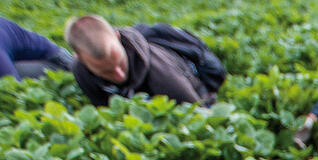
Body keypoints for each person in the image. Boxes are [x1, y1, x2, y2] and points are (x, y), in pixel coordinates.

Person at [64, 15, 226, 107]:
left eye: (120, 63)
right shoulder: (80, 70)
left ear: (117, 36)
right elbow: (104, 109)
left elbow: (197, 114)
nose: (119, 75)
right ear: (79, 58)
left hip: (191, 91)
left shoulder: (162, 74)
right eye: (107, 72)